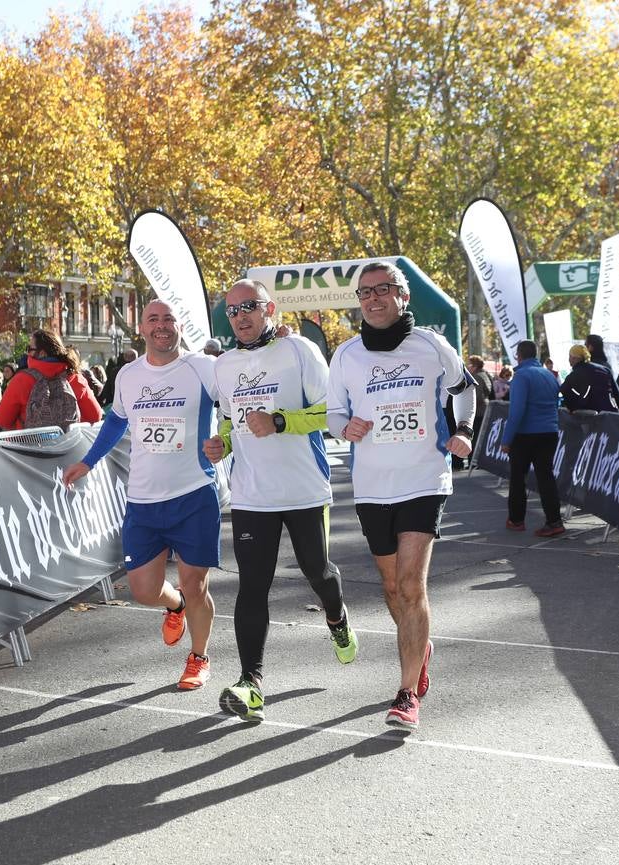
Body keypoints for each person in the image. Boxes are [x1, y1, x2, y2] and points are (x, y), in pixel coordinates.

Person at [326, 260, 476, 730]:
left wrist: (465, 429)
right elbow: (334, 415)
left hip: (424, 478)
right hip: (372, 484)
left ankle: (407, 691)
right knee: (392, 588)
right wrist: (344, 426)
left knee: (412, 586)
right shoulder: (347, 355)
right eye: (365, 292)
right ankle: (419, 643)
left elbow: (465, 390)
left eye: (383, 289)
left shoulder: (431, 345)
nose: (373, 298)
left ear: (402, 296)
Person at [203, 280, 354, 722]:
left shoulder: (300, 351)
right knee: (252, 585)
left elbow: (331, 412)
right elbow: (232, 421)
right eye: (232, 311)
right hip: (252, 493)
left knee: (318, 571)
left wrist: (282, 421)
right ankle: (251, 682)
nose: (241, 316)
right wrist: (222, 444)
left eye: (249, 307)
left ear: (269, 308)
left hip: (304, 488)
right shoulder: (225, 365)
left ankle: (337, 616)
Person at [62, 300, 219, 691]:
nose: (162, 326)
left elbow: (240, 396)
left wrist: (225, 442)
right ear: (141, 328)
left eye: (169, 319)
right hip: (144, 500)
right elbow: (116, 420)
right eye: (154, 319)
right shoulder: (129, 375)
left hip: (194, 493)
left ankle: (199, 657)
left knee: (196, 583)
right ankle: (174, 605)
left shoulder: (203, 368)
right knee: (144, 590)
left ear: (179, 327)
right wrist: (89, 461)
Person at [500, 340, 563, 537]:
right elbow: (556, 403)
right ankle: (554, 521)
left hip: (526, 434)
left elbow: (516, 411)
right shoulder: (549, 375)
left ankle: (516, 520)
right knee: (546, 477)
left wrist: (506, 440)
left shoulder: (521, 376)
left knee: (518, 478)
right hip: (549, 431)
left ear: (519, 355)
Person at [0, 329, 102, 431]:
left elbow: (2, 420)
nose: (27, 353)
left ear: (42, 353)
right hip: (66, 447)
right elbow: (95, 416)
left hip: (27, 448)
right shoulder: (76, 378)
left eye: (29, 349)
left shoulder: (22, 380)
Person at [559, 345, 618, 412]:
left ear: (574, 358)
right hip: (611, 414)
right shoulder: (605, 370)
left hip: (589, 417)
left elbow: (562, 392)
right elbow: (617, 393)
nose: (569, 359)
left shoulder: (573, 376)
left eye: (570, 356)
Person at [467, 354, 494, 441]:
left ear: (475, 366)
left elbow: (477, 397)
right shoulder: (484, 374)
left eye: (469, 364)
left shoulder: (477, 377)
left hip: (479, 411)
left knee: (477, 437)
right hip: (485, 409)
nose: (467, 367)